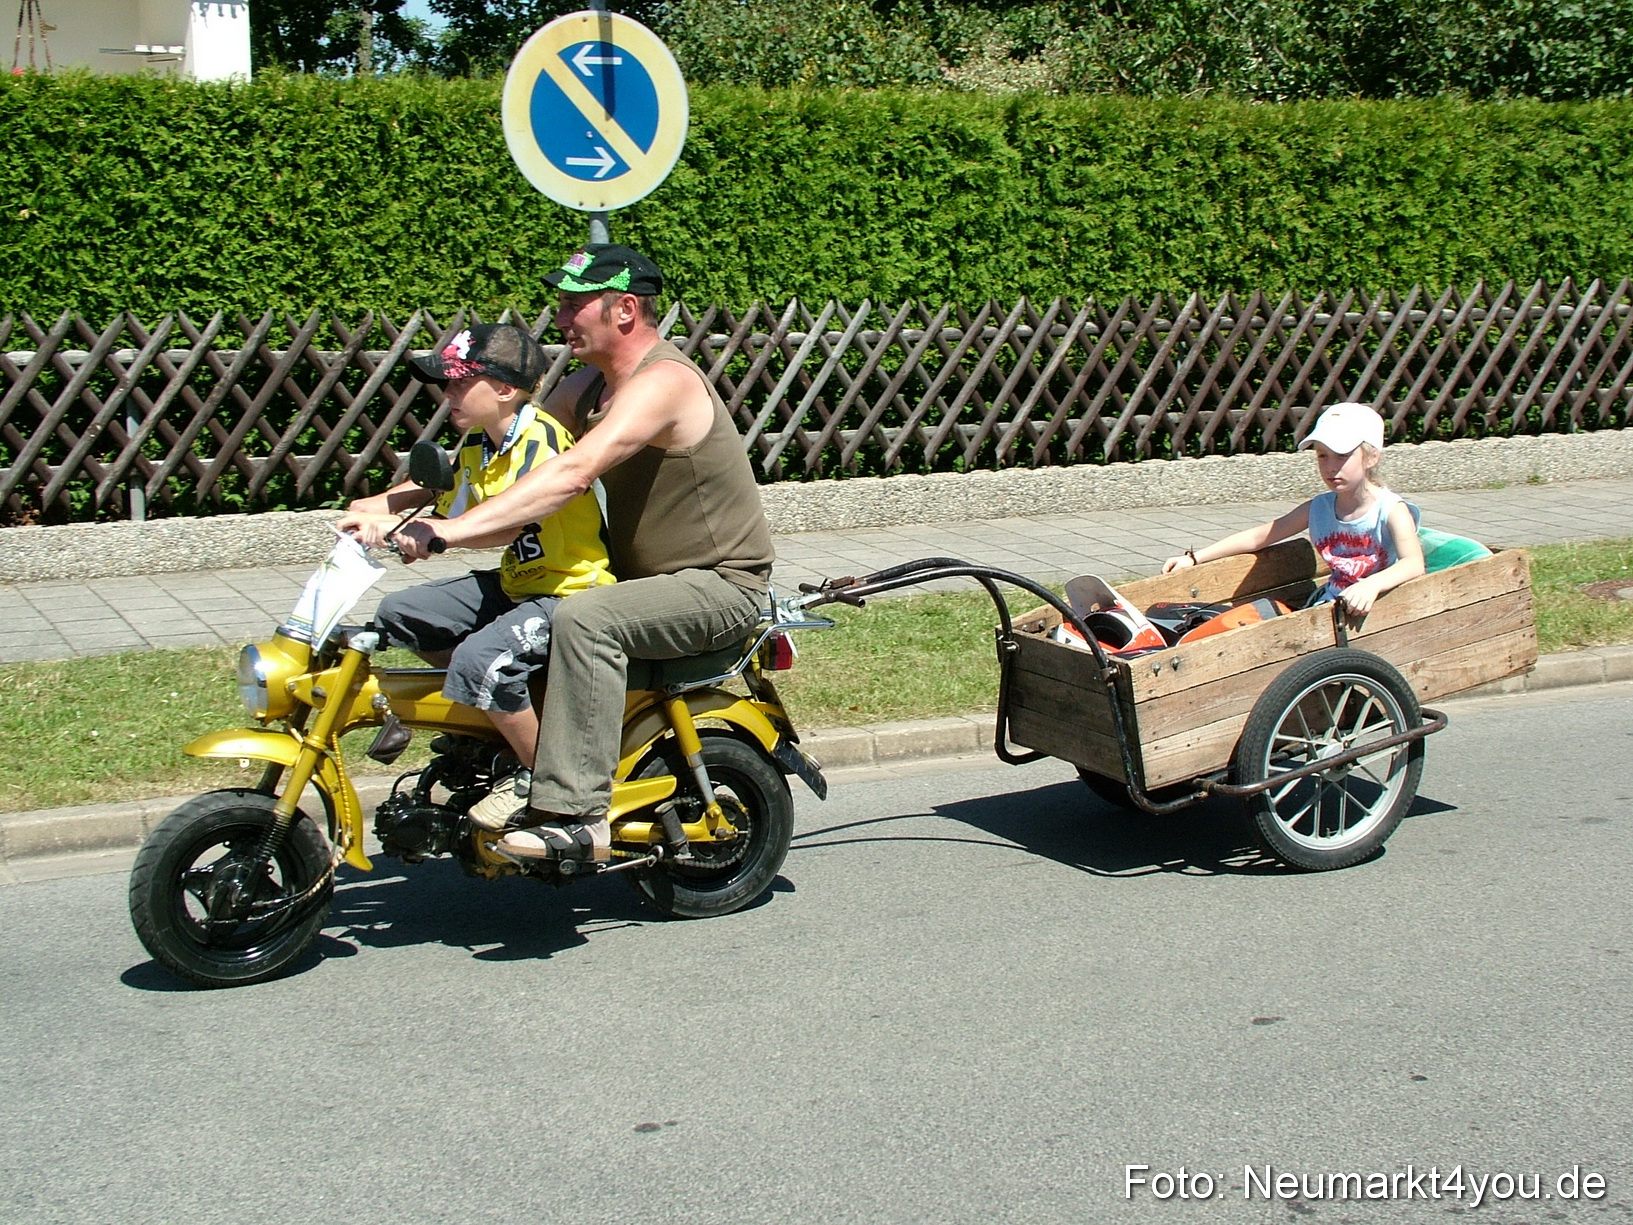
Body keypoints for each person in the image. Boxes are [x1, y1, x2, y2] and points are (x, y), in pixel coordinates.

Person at [390, 245, 776, 864]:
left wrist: (453, 532)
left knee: (583, 618)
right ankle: (508, 752)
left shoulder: (664, 382)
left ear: (625, 309)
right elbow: (516, 450)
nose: (561, 316)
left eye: (575, 303)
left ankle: (575, 814)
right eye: (562, 301)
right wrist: (387, 504)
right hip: (637, 580)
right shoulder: (587, 384)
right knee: (431, 613)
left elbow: (571, 473)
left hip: (718, 585)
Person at [336, 322, 614, 775]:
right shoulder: (481, 444)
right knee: (402, 614)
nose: (448, 393)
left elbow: (507, 524)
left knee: (479, 660)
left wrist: (434, 533)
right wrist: (372, 513)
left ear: (504, 389)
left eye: (461, 381)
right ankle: (492, 724)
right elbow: (446, 502)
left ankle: (554, 784)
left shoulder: (538, 442)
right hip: (519, 586)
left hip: (569, 593)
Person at [1162, 401, 1425, 615]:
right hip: (1331, 607)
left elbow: (1413, 564)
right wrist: (1194, 558)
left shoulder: (1390, 509)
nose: (1331, 466)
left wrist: (1371, 586)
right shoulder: (1319, 508)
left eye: (1343, 455)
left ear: (1371, 457)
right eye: (1322, 455)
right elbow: (1258, 537)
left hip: (1380, 608)